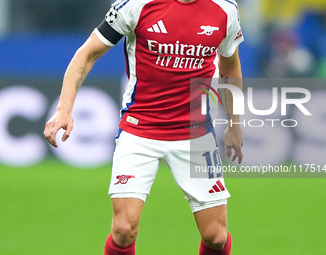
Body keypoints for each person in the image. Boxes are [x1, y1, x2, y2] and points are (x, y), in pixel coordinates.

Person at [44, 0, 244, 254]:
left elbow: (230, 66)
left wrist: (235, 123)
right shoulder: (136, 5)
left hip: (196, 133)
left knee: (216, 236)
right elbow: (87, 53)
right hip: (140, 130)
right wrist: (64, 108)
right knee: (124, 229)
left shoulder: (225, 9)